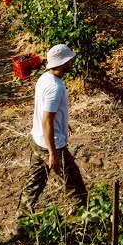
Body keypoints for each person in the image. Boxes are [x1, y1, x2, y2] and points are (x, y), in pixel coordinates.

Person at [17, 44, 88, 218]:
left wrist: (64, 124)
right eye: (70, 59)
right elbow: (47, 120)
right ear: (64, 62)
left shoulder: (45, 79)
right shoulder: (55, 88)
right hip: (52, 145)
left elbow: (48, 113)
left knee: (33, 185)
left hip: (38, 140)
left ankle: (21, 223)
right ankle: (82, 222)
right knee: (76, 190)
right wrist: (53, 153)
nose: (72, 61)